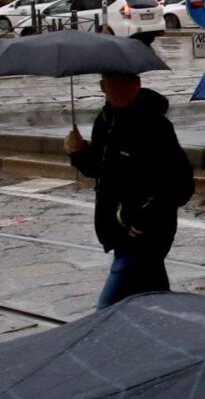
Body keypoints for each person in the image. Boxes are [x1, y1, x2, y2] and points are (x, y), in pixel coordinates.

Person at [66, 70, 195, 307]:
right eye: (113, 83)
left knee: (107, 310)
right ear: (102, 85)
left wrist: (142, 221)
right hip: (118, 228)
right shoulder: (104, 121)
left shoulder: (156, 126)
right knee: (155, 299)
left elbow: (181, 184)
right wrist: (79, 151)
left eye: (126, 82)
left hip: (144, 232)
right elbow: (99, 170)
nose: (120, 89)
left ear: (138, 84)